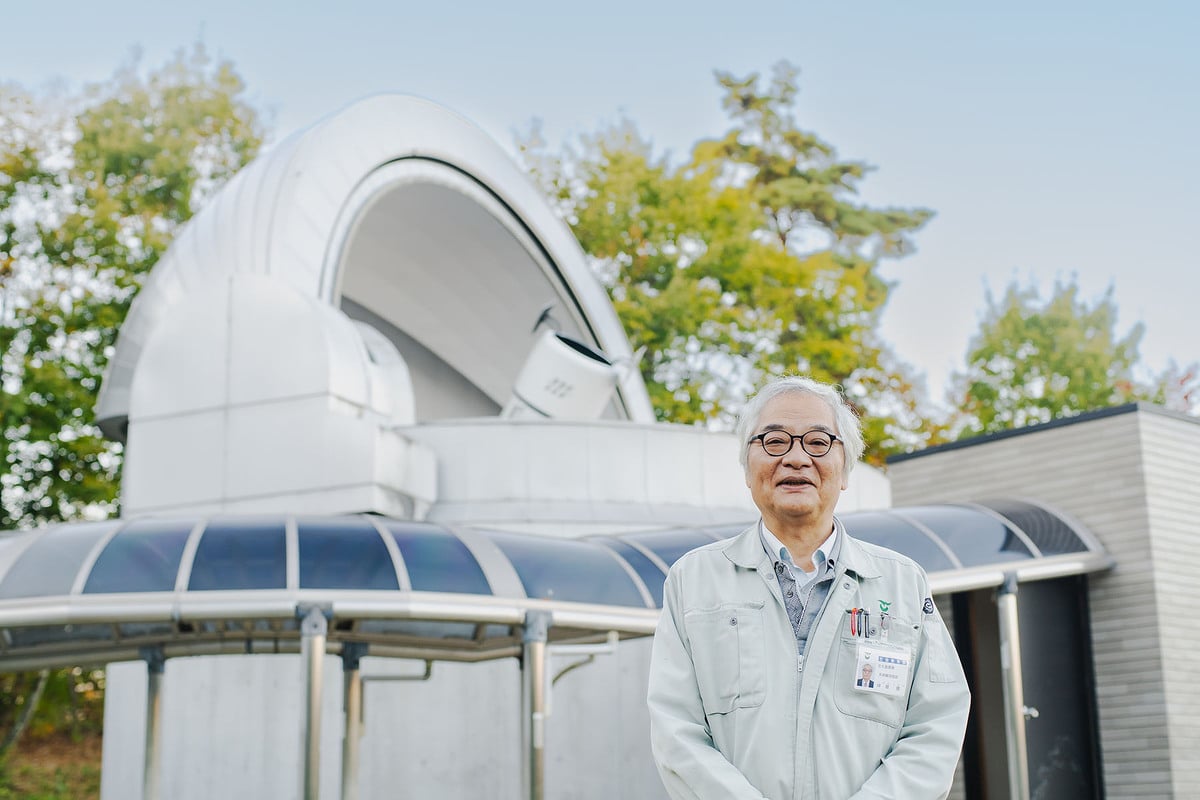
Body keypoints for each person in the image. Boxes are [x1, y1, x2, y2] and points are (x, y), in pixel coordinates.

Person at [647, 376, 970, 799]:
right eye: (774, 441)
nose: (796, 458)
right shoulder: (694, 580)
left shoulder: (902, 582)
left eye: (818, 442)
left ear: (845, 469)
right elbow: (676, 729)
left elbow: (936, 721)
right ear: (747, 468)